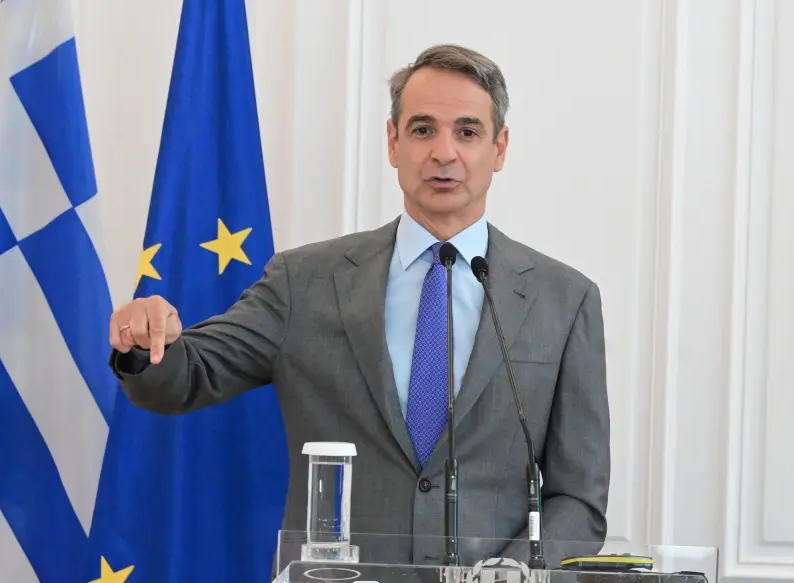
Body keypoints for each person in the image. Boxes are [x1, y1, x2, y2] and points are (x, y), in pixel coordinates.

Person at [108, 44, 610, 568]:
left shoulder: (564, 300)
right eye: (422, 129)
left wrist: (512, 572)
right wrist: (146, 344)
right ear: (393, 142)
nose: (444, 153)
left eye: (467, 132)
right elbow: (189, 375)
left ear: (499, 148)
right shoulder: (304, 281)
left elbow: (578, 499)